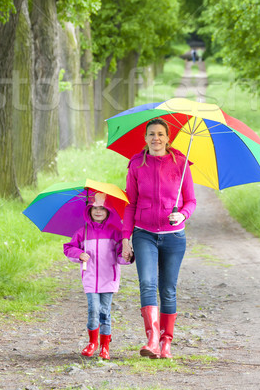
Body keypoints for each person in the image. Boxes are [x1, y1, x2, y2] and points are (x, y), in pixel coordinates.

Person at [122, 118, 196, 359]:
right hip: (144, 233)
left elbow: (191, 201)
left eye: (161, 134)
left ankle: (166, 342)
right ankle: (152, 339)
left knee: (167, 289)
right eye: (151, 134)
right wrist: (126, 238)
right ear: (145, 138)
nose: (156, 138)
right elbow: (130, 203)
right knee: (147, 283)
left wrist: (181, 214)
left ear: (168, 138)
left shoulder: (181, 164)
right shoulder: (136, 165)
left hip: (173, 236)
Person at [63, 192, 129, 360]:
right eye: (94, 208)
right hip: (90, 278)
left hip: (109, 278)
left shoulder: (115, 232)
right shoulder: (82, 232)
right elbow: (69, 247)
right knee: (93, 310)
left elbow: (122, 255)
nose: (98, 212)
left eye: (102, 208)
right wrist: (79, 254)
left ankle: (105, 346)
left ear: (108, 212)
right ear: (89, 210)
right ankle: (93, 342)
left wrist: (127, 256)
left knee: (105, 311)